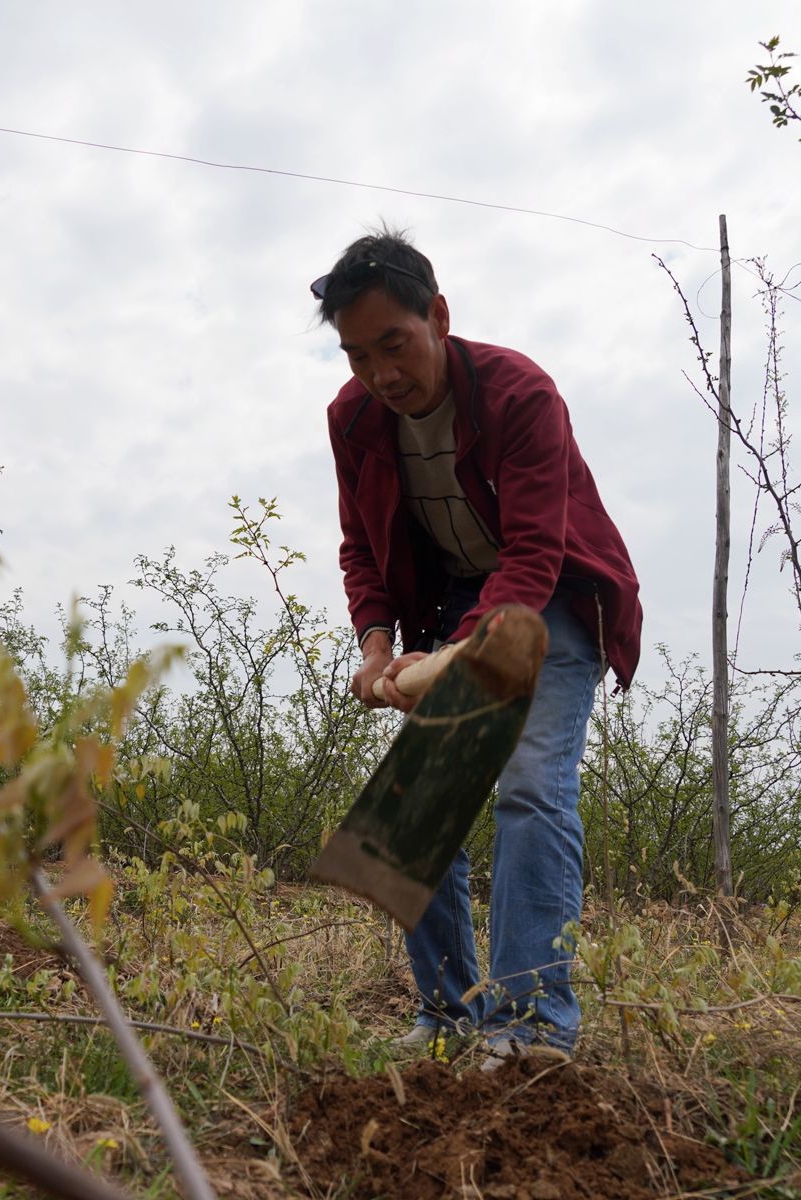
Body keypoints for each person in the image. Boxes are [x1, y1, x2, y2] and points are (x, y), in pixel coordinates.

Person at [313, 225, 642, 1064]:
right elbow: (362, 549)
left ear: (440, 318)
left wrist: (455, 657)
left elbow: (534, 549)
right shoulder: (352, 419)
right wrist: (379, 647)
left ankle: (533, 1027)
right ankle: (451, 1017)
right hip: (451, 607)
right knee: (420, 800)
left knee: (531, 784)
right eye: (358, 356)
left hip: (554, 593)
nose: (382, 375)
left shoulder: (519, 392)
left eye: (396, 344)